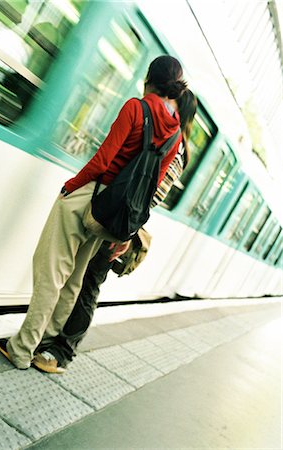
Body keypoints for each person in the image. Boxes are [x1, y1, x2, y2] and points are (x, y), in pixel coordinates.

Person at [0, 55, 187, 370]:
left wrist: (71, 186)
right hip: (113, 215)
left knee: (50, 273)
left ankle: (21, 349)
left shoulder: (136, 107)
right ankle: (45, 343)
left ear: (148, 78)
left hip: (91, 195)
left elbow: (102, 160)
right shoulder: (175, 134)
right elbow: (151, 188)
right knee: (74, 279)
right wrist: (128, 231)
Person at [32, 89, 198, 373]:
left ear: (177, 108)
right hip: (121, 215)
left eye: (171, 103)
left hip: (122, 219)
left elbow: (150, 193)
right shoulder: (169, 137)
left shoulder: (174, 144)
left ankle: (62, 350)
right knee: (78, 278)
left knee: (89, 283)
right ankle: (46, 341)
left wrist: (129, 232)